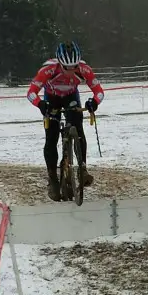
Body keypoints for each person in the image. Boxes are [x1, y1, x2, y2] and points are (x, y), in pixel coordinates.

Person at [26, 41, 105, 201]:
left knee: (79, 129)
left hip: (70, 97)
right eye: (66, 68)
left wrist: (94, 103)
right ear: (60, 63)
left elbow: (99, 91)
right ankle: (53, 179)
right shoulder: (48, 70)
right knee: (51, 137)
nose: (70, 71)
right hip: (52, 98)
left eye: (74, 67)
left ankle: (82, 168)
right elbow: (31, 92)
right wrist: (40, 104)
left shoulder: (84, 69)